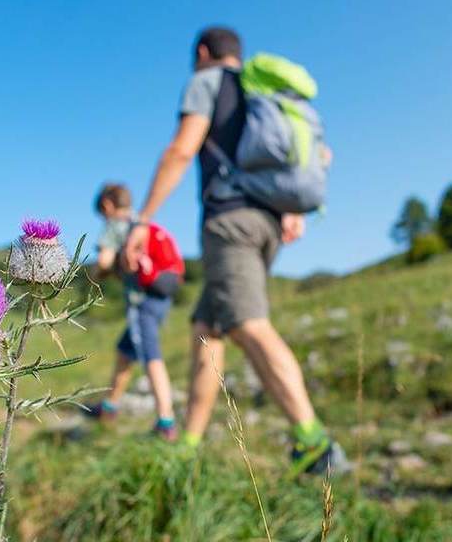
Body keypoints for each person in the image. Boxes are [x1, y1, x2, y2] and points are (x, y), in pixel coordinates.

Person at [125, 27, 347, 475]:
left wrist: (142, 219)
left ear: (202, 52)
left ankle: (316, 445)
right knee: (207, 329)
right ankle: (188, 444)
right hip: (267, 223)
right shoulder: (264, 95)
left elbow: (182, 149)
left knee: (248, 324)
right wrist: (289, 209)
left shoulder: (207, 82)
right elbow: (319, 157)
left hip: (231, 224)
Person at [86, 183, 178, 441]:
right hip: (161, 296)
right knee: (125, 352)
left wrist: (96, 273)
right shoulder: (142, 221)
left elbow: (104, 261)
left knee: (150, 355)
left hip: (141, 301)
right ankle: (109, 407)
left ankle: (166, 422)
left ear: (107, 205)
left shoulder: (115, 225)